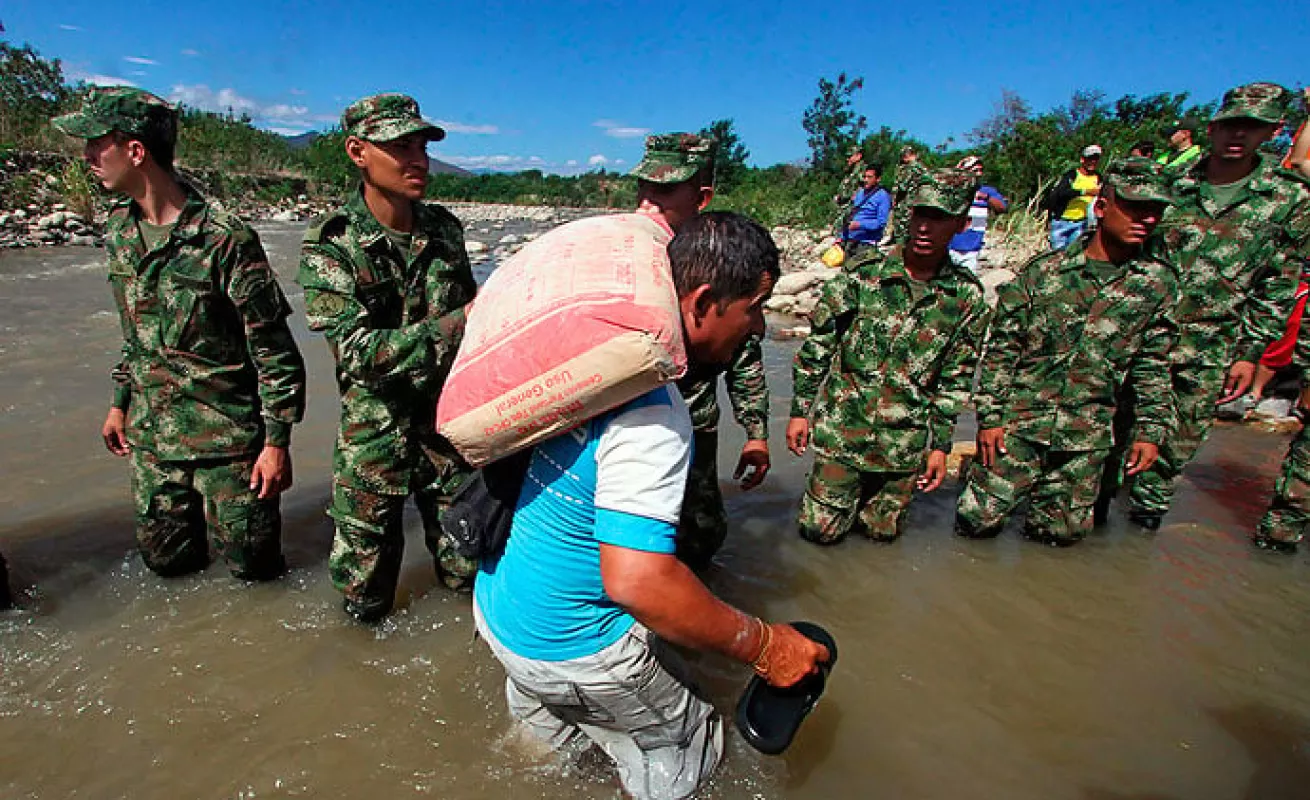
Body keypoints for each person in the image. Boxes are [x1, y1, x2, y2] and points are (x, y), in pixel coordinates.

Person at [473, 212, 829, 800]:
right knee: (693, 748)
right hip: (574, 647)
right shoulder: (653, 414)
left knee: (540, 755)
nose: (760, 326)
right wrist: (767, 645)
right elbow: (639, 583)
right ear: (703, 302)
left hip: (502, 616)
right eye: (754, 308)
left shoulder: (590, 360)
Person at [52, 87, 306, 581]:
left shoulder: (225, 239)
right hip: (153, 444)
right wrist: (119, 402)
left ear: (135, 151)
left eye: (96, 143)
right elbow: (135, 332)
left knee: (255, 576)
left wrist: (277, 444)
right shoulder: (119, 231)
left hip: (229, 450)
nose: (87, 156)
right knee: (166, 568)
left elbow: (275, 352)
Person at [297, 94, 477, 622]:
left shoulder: (445, 231)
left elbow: (477, 337)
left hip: (449, 439)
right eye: (401, 148)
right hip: (373, 445)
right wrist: (460, 321)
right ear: (358, 152)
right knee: (365, 601)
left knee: (470, 578)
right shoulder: (331, 245)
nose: (419, 161)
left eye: (422, 147)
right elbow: (358, 353)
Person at [1116, 82, 1310, 532]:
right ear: (1212, 127)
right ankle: (1101, 520)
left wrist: (1250, 352)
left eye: (1252, 126)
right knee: (1110, 438)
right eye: (1230, 125)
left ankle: (1141, 532)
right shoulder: (1171, 184)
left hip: (1211, 344)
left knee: (1175, 448)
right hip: (1137, 334)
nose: (1238, 135)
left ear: (1273, 131)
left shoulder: (1288, 199)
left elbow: (1278, 285)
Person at [955, 158, 1180, 546]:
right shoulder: (1044, 273)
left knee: (1059, 539)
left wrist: (1151, 431)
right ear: (1102, 207)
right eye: (1135, 208)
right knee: (976, 524)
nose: (1146, 219)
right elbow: (1003, 350)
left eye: (1154, 211)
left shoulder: (1157, 285)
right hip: (1019, 427)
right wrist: (989, 419)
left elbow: (1154, 366)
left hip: (1087, 436)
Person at [787, 169, 989, 543]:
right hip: (841, 435)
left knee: (881, 538)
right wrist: (800, 411)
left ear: (961, 224)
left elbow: (955, 380)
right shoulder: (863, 276)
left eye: (939, 218)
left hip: (903, 447)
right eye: (920, 214)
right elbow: (819, 346)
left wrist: (940, 447)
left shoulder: (966, 299)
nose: (925, 227)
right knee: (817, 534)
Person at [630, 132, 772, 569]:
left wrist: (756, 432)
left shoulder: (726, 259)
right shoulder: (626, 257)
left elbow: (744, 355)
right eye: (643, 190)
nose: (647, 205)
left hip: (694, 423)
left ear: (702, 197)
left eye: (664, 192)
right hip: (632, 426)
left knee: (698, 531)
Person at [948, 155, 1008, 273]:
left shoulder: (987, 191)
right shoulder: (953, 190)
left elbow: (1002, 208)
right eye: (975, 170)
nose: (979, 174)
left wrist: (986, 198)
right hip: (949, 247)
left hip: (972, 249)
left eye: (981, 170)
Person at [1046, 145, 1103, 250]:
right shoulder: (1071, 175)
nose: (1093, 162)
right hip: (1061, 222)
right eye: (1090, 158)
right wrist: (1085, 191)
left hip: (1081, 224)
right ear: (1082, 160)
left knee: (1073, 253)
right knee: (1057, 253)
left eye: (1096, 159)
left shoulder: (1098, 178)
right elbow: (1061, 193)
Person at [840, 164, 891, 259]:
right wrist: (842, 237)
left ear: (878, 179)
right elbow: (852, 214)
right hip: (850, 240)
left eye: (869, 177)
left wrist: (860, 225)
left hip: (866, 243)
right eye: (865, 177)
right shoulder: (860, 193)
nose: (866, 180)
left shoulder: (883, 196)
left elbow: (881, 223)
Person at [889, 145, 930, 245]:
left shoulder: (912, 167)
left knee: (902, 232)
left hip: (906, 204)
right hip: (918, 203)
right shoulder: (923, 168)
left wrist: (895, 195)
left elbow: (902, 186)